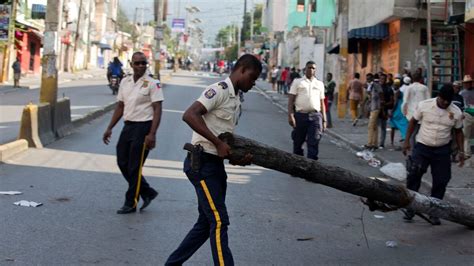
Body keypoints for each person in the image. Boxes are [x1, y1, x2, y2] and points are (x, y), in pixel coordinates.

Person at [165, 54, 262, 266]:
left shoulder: (236, 99)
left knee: (205, 222)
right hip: (201, 165)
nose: (253, 83)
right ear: (242, 70)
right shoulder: (219, 90)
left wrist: (236, 159)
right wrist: (217, 144)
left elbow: (222, 139)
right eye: (253, 78)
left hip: (215, 166)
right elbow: (190, 115)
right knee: (219, 221)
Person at [102, 52, 163, 214]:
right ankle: (147, 191)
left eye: (144, 63)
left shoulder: (153, 83)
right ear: (131, 64)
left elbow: (157, 109)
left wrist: (152, 133)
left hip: (144, 127)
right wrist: (109, 128)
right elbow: (120, 106)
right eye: (137, 63)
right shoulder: (125, 82)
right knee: (122, 162)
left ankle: (131, 202)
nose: (141, 66)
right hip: (128, 126)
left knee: (134, 167)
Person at [402, 84, 465, 225]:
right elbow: (413, 122)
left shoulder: (456, 112)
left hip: (442, 150)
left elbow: (459, 132)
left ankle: (434, 211)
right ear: (439, 96)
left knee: (441, 181)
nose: (445, 103)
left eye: (448, 101)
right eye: (443, 100)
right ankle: (410, 207)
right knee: (414, 175)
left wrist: (461, 151)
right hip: (422, 147)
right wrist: (407, 141)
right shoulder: (424, 105)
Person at [288, 61, 326, 160]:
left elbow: (322, 103)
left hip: (315, 117)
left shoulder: (320, 84)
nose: (311, 70)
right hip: (300, 116)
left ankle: (311, 170)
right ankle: (297, 167)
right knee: (298, 143)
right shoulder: (298, 82)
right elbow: (291, 100)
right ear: (305, 69)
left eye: (313, 68)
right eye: (309, 68)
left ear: (315, 70)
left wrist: (324, 120)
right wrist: (290, 115)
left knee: (314, 142)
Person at [364, 73, 384, 151]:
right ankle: (374, 143)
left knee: (370, 126)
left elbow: (381, 93)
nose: (368, 80)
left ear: (372, 78)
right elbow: (369, 97)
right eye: (367, 79)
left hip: (376, 107)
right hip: (372, 107)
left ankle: (370, 143)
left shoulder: (376, 85)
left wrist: (382, 103)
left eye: (369, 78)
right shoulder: (370, 86)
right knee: (375, 127)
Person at [389, 79, 408, 147]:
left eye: (395, 85)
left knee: (393, 127)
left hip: (396, 112)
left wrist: (392, 111)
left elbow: (395, 103)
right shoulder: (400, 92)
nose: (394, 86)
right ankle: (403, 138)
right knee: (401, 125)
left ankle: (392, 142)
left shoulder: (397, 93)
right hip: (400, 111)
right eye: (394, 85)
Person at [378, 73, 394, 149]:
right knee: (373, 126)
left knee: (383, 127)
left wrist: (385, 105)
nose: (382, 80)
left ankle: (381, 143)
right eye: (381, 79)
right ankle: (373, 142)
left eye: (384, 79)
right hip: (376, 109)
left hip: (384, 109)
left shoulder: (388, 89)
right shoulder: (376, 87)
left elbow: (392, 101)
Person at [460, 75, 474, 159]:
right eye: (466, 83)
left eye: (469, 82)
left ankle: (467, 152)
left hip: (468, 113)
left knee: (467, 134)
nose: (468, 84)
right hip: (467, 114)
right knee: (466, 134)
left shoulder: (462, 93)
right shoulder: (461, 93)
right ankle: (467, 152)